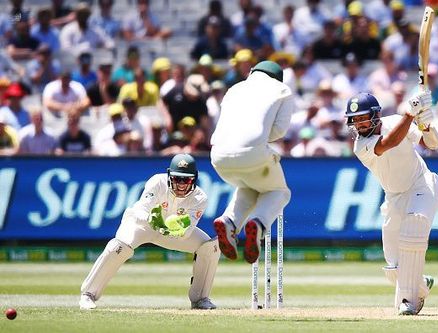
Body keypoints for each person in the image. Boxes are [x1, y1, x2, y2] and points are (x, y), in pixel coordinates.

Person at [79, 153, 220, 310]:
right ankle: (88, 295)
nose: (181, 184)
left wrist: (174, 229)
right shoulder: (157, 182)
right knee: (118, 247)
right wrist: (153, 220)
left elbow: (187, 231)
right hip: (142, 226)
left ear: (194, 178)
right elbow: (140, 210)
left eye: (186, 179)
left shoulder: (200, 198)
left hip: (171, 232)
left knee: (210, 247)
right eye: (177, 178)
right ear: (169, 175)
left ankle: (200, 299)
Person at [344, 91, 438, 315]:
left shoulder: (397, 121)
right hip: (394, 197)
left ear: (375, 115)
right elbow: (389, 142)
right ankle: (420, 284)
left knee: (414, 227)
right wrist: (410, 114)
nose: (359, 124)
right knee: (394, 267)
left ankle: (409, 301)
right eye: (355, 120)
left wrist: (427, 125)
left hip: (422, 185)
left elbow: (434, 144)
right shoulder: (361, 146)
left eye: (362, 118)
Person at [211, 61, 293, 264]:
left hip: (218, 156)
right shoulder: (282, 89)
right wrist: (261, 138)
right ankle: (258, 224)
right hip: (252, 153)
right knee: (280, 192)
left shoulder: (234, 88)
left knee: (250, 187)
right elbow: (280, 131)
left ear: (251, 73)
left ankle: (229, 221)